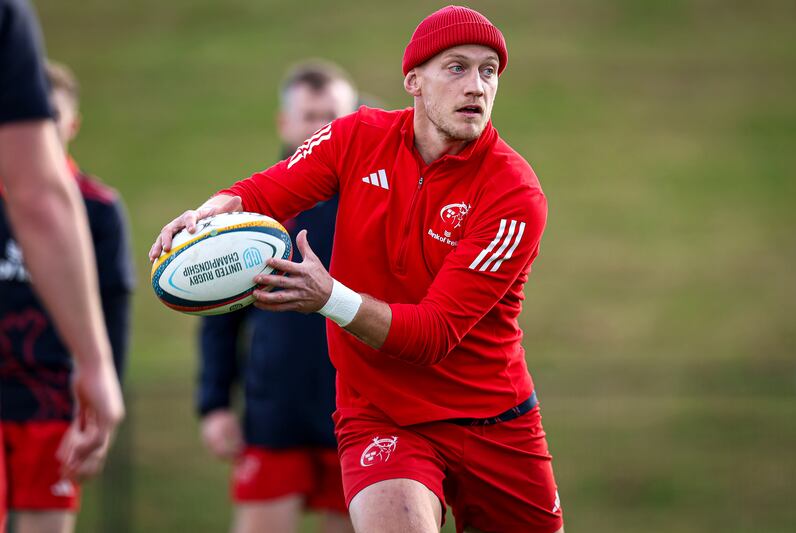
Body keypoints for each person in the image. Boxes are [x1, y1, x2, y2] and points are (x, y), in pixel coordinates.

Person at [151, 6, 563, 532]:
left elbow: (433, 333)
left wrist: (328, 297)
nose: (476, 86)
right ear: (413, 81)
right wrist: (205, 216)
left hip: (493, 420)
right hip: (382, 415)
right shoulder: (357, 137)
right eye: (457, 68)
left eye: (489, 71)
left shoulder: (513, 193)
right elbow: (265, 192)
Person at [197, 61, 357, 533]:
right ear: (284, 123)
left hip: (357, 411)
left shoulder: (373, 204)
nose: (321, 128)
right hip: (274, 414)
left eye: (332, 117)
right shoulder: (251, 214)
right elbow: (219, 318)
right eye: (310, 116)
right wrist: (214, 404)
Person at [0, 1, 125, 528]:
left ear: (71, 123)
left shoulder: (96, 208)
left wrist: (99, 367)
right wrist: (97, 369)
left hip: (50, 397)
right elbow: (40, 199)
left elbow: (113, 302)